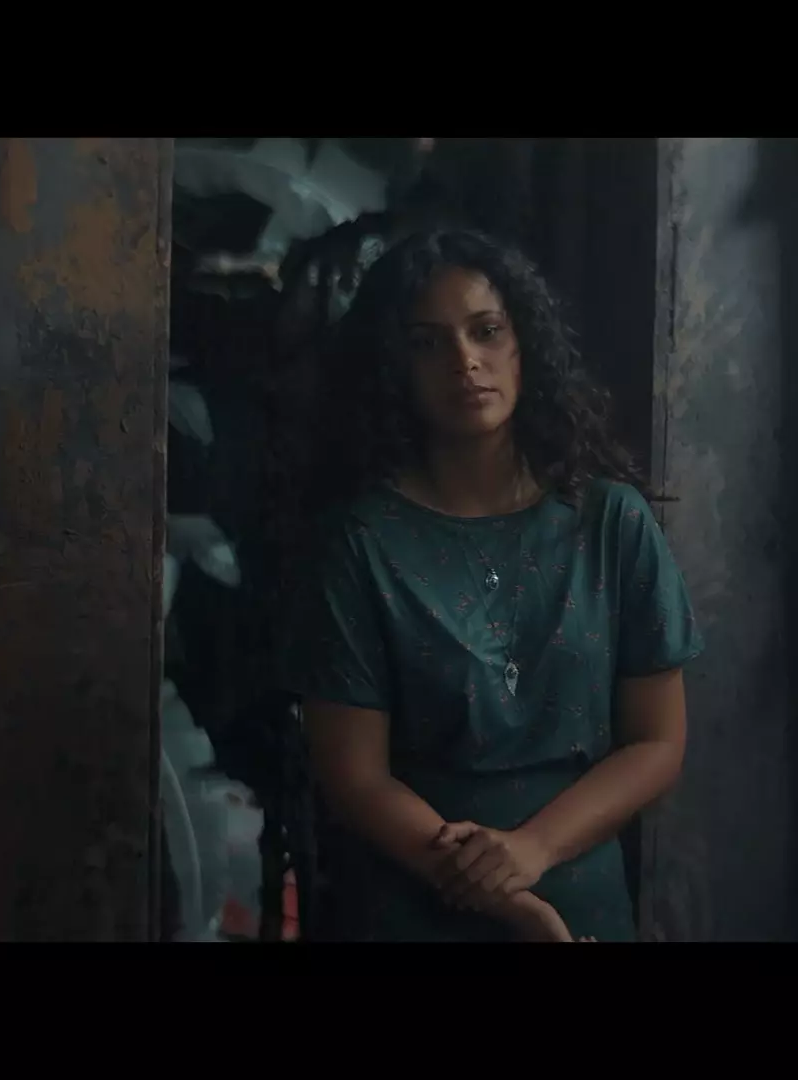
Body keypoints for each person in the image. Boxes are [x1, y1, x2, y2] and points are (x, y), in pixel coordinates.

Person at [285, 227, 702, 942]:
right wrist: (512, 902)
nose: (465, 361)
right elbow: (354, 778)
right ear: (393, 367)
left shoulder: (612, 523)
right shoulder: (359, 543)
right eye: (427, 343)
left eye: (486, 331)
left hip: (577, 895)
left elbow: (658, 741)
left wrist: (532, 851)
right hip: (414, 896)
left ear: (524, 343)